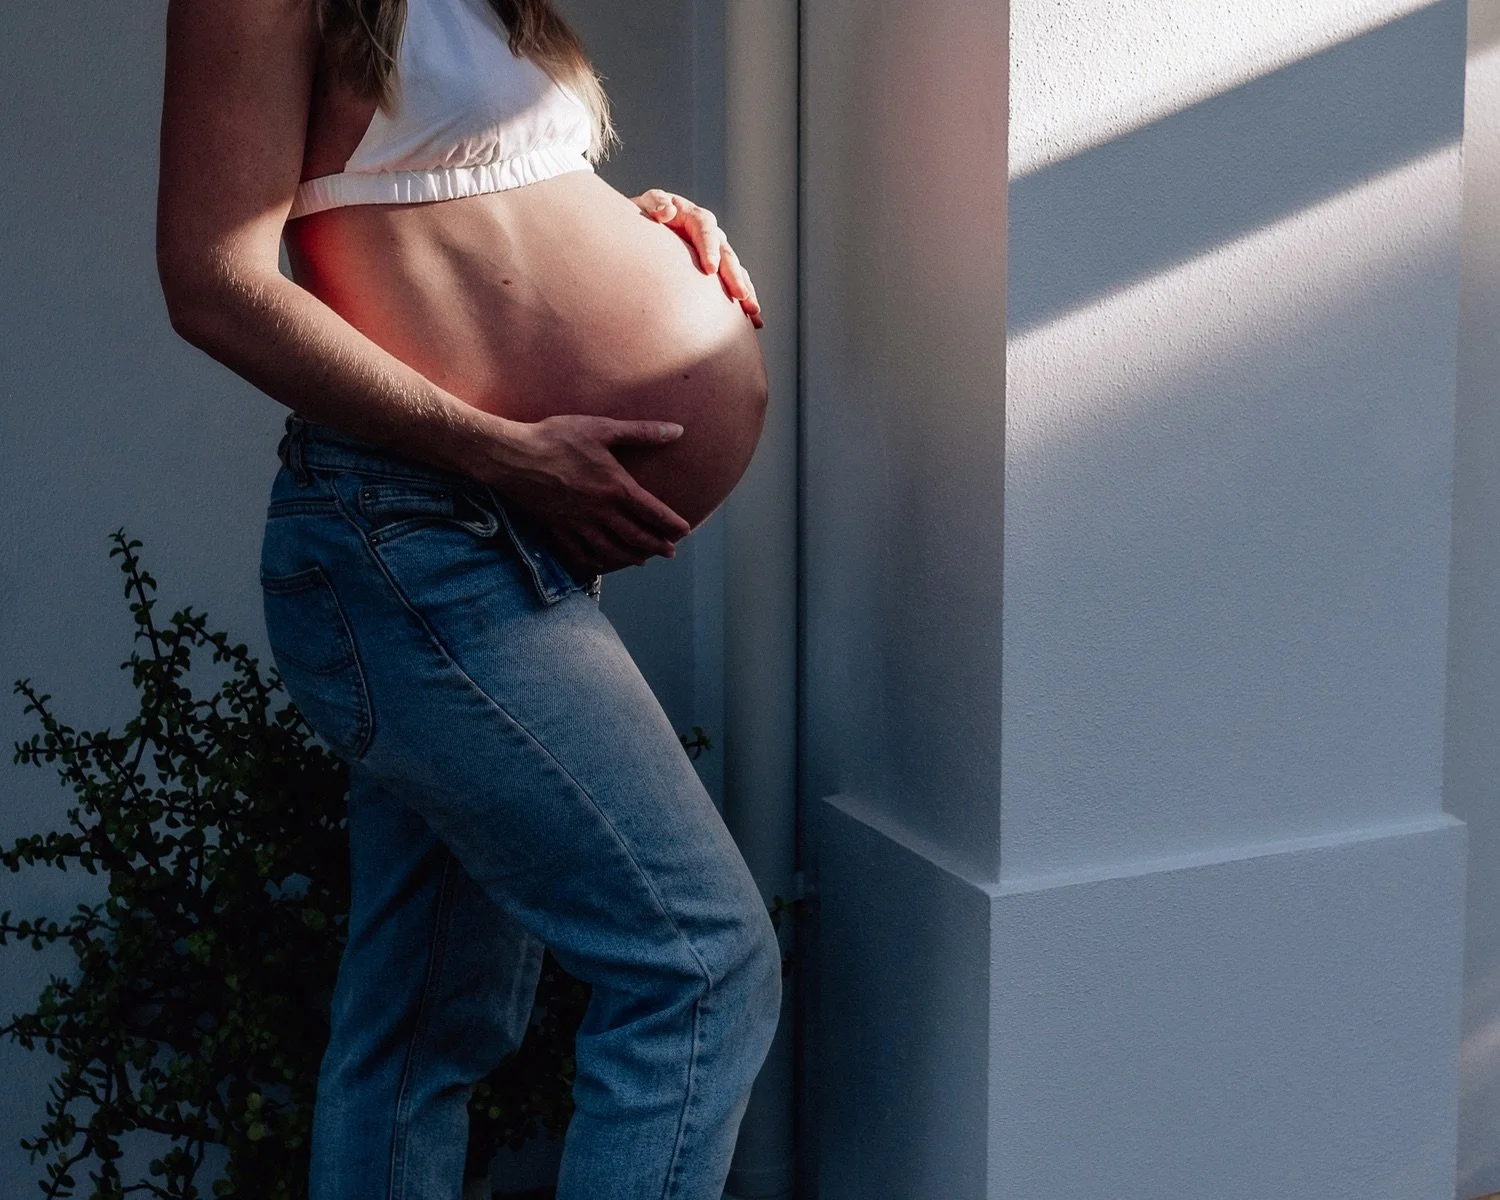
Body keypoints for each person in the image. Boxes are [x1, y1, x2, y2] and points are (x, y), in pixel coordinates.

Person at [154, 1, 783, 1197]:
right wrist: (501, 449)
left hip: (484, 541)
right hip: (419, 545)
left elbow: (444, 203)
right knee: (699, 967)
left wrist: (620, 215)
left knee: (420, 1030)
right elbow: (212, 281)